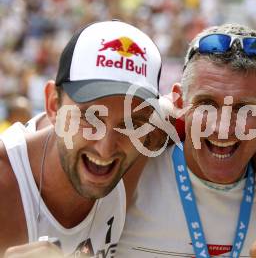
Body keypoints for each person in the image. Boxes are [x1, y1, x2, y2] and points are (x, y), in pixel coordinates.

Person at [116, 23, 256, 257]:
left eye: (243, 109)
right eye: (206, 104)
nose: (222, 128)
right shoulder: (130, 177)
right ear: (179, 101)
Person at [1, 20, 165, 257]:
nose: (106, 148)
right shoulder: (6, 187)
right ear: (53, 104)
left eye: (130, 124)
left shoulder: (142, 147)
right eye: (90, 117)